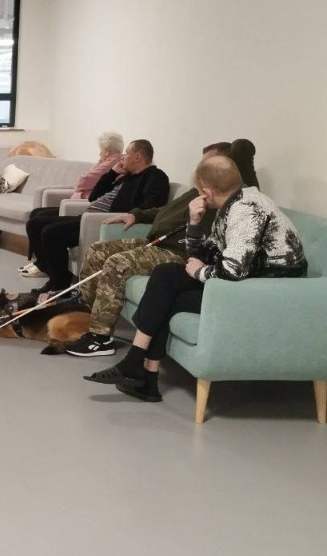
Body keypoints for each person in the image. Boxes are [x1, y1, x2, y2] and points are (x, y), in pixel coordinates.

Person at [84, 155, 306, 402]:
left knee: (168, 297)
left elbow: (232, 271)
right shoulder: (234, 202)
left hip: (264, 292)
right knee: (165, 274)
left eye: (198, 191)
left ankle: (142, 373)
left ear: (206, 192)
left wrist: (199, 272)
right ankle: (140, 370)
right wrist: (194, 223)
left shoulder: (246, 211)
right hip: (246, 282)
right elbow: (203, 254)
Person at [65, 141, 252, 357]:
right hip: (157, 242)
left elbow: (209, 241)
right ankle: (84, 312)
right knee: (98, 250)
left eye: (207, 163)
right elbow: (166, 210)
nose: (200, 168)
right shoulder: (196, 192)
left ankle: (100, 338)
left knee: (118, 263)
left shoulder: (225, 200)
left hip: (177, 253)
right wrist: (137, 215)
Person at [25, 139, 170, 293]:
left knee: (50, 232)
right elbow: (94, 196)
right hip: (89, 216)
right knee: (34, 224)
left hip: (102, 221)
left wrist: (129, 214)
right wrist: (112, 173)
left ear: (138, 157)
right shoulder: (127, 176)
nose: (122, 157)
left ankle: (60, 286)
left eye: (127, 153)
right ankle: (55, 274)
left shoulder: (156, 176)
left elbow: (153, 205)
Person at [20, 131, 124, 277]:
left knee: (39, 220)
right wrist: (96, 166)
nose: (99, 153)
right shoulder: (107, 162)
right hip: (79, 203)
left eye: (101, 149)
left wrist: (83, 184)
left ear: (106, 150)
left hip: (83, 205)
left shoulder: (112, 163)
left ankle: (45, 266)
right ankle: (41, 263)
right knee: (36, 214)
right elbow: (87, 181)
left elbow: (84, 181)